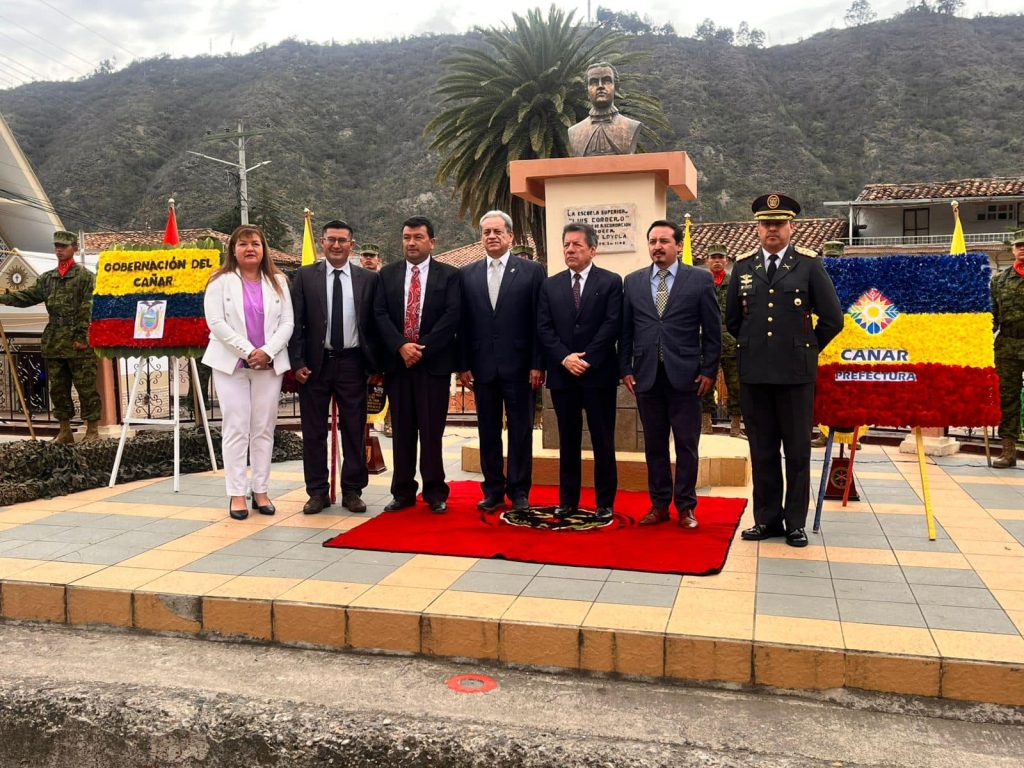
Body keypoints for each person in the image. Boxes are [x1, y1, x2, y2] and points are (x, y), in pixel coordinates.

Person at [725, 194, 843, 547]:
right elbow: (733, 320)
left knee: (796, 451)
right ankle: (767, 520)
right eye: (765, 223)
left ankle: (795, 523)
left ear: (792, 227)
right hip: (755, 374)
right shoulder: (744, 267)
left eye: (778, 223)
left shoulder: (808, 265)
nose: (771, 229)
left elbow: (833, 319)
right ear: (757, 228)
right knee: (761, 450)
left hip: (795, 376)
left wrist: (804, 348)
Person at [621, 221, 721, 528]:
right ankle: (659, 505)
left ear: (678, 245)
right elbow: (626, 330)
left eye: (664, 241)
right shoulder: (633, 281)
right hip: (647, 377)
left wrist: (708, 370)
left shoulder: (699, 280)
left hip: (687, 377)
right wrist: (625, 368)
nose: (657, 247)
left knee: (686, 445)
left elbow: (713, 332)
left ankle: (686, 507)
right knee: (654, 445)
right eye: (652, 241)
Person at [289, 220, 380, 515]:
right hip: (315, 366)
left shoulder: (368, 279)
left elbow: (375, 324)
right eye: (331, 240)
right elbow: (296, 322)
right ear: (322, 243)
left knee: (354, 429)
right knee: (314, 431)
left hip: (353, 363)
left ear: (352, 245)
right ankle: (317, 492)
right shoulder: (304, 276)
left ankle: (352, 490)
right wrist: (297, 362)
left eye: (343, 240)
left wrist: (375, 365)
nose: (337, 245)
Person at [202, 224, 294, 520]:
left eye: (255, 243)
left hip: (269, 366)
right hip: (232, 367)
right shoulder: (219, 281)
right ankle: (237, 494)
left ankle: (262, 490)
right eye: (243, 244)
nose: (250, 248)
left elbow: (288, 324)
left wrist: (267, 351)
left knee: (264, 428)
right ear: (233, 250)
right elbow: (216, 323)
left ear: (264, 248)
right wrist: (248, 351)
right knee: (236, 427)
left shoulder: (278, 280)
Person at [458, 210, 546, 512]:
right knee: (488, 431)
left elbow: (539, 321)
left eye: (498, 231)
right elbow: (463, 324)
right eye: (486, 232)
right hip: (482, 367)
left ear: (510, 236)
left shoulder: (532, 271)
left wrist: (538, 363)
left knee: (521, 431)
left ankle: (519, 491)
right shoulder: (467, 274)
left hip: (521, 368)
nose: (491, 236)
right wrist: (463, 364)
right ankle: (493, 489)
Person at [374, 216, 461, 513]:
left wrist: (421, 349)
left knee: (431, 431)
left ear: (432, 242)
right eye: (407, 237)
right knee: (402, 431)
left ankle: (435, 491)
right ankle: (402, 491)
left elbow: (452, 317)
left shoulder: (449, 276)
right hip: (398, 365)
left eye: (418, 237)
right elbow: (380, 314)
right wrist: (401, 346)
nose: (411, 243)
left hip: (432, 365)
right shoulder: (387, 275)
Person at [537, 222, 622, 518]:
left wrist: (587, 359)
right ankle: (568, 500)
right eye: (566, 245)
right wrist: (564, 358)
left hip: (598, 375)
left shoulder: (611, 282)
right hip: (563, 375)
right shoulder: (550, 284)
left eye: (577, 245)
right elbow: (544, 328)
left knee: (603, 440)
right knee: (568, 441)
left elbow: (612, 324)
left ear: (593, 250)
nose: (570, 250)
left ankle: (604, 502)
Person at [0, 230, 102, 444]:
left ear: (74, 248)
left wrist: (83, 336)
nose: (59, 250)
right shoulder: (48, 279)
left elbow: (88, 307)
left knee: (85, 387)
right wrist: (4, 298)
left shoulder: (85, 277)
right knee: (58, 388)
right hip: (55, 340)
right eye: (56, 246)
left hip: (78, 341)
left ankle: (92, 430)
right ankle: (65, 430)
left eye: (63, 246)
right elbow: (28, 296)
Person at [701, 243, 742, 438]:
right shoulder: (700, 282)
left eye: (720, 258)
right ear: (707, 261)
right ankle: (706, 422)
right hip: (706, 340)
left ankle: (735, 424)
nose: (717, 261)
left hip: (731, 340)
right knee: (704, 383)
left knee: (735, 385)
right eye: (713, 258)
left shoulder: (736, 282)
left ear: (726, 261)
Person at [991, 229, 1024, 468]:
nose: (1022, 249)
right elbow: (991, 316)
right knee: (1008, 398)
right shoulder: (999, 280)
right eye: (1019, 245)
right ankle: (1008, 451)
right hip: (1008, 346)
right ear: (1012, 250)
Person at [567, 62, 642, 157]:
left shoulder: (631, 126)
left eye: (607, 81)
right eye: (594, 82)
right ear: (587, 92)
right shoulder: (574, 132)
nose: (600, 86)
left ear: (616, 88)